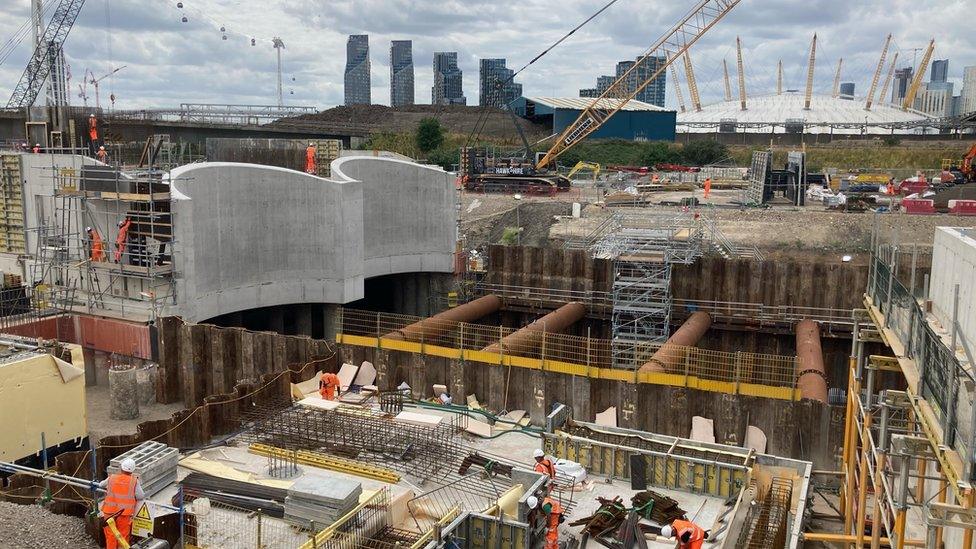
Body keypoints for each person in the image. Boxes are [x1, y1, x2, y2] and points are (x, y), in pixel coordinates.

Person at [99, 457, 144, 549]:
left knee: (110, 535)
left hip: (109, 512)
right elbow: (140, 496)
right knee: (123, 536)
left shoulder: (112, 477)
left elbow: (101, 485)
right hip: (124, 513)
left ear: (121, 468)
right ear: (132, 470)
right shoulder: (134, 481)